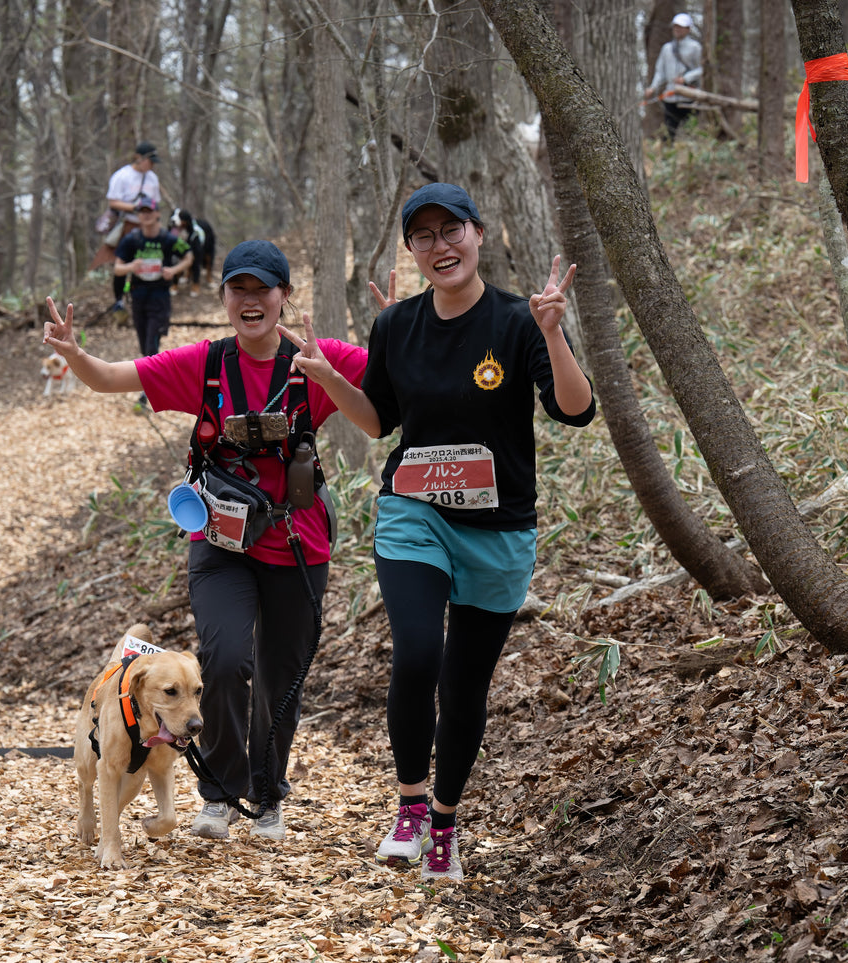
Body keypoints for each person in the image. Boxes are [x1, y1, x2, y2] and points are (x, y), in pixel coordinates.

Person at [281, 183, 596, 883]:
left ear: (477, 234)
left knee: (463, 687)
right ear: (412, 250)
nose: (439, 245)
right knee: (417, 652)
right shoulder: (396, 327)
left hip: (498, 530)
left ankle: (447, 821)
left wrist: (552, 331)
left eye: (450, 229)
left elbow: (574, 411)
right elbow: (377, 422)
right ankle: (410, 806)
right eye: (422, 236)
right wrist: (330, 377)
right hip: (412, 513)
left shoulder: (518, 321)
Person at [43, 239, 368, 843]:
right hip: (220, 546)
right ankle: (219, 792)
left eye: (262, 290)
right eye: (237, 290)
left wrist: (395, 324)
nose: (250, 301)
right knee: (222, 661)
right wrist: (75, 353)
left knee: (280, 675)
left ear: (284, 297)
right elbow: (113, 378)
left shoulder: (316, 359)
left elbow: (390, 383)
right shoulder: (206, 363)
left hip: (298, 544)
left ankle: (268, 795)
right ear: (222, 298)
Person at [114, 197, 193, 401]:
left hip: (160, 298)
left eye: (149, 211)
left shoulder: (168, 239)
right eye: (142, 211)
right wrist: (132, 266)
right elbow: (117, 268)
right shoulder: (132, 240)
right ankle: (153, 378)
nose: (146, 215)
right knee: (143, 344)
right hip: (139, 297)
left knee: (152, 343)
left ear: (157, 213)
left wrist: (174, 270)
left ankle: (147, 389)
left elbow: (189, 256)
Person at [94, 141, 163, 310]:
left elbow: (157, 203)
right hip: (128, 225)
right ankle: (119, 300)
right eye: (149, 160)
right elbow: (113, 202)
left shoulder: (153, 178)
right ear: (139, 158)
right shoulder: (122, 176)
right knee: (123, 263)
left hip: (148, 227)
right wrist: (135, 208)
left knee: (148, 262)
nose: (152, 165)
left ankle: (144, 299)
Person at [645, 13, 704, 140]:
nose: (677, 29)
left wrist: (686, 79)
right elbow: (660, 72)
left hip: (690, 97)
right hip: (670, 98)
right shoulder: (666, 49)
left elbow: (701, 69)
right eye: (675, 26)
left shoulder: (695, 47)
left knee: (690, 133)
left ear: (688, 29)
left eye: (681, 26)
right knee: (669, 133)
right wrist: (653, 87)